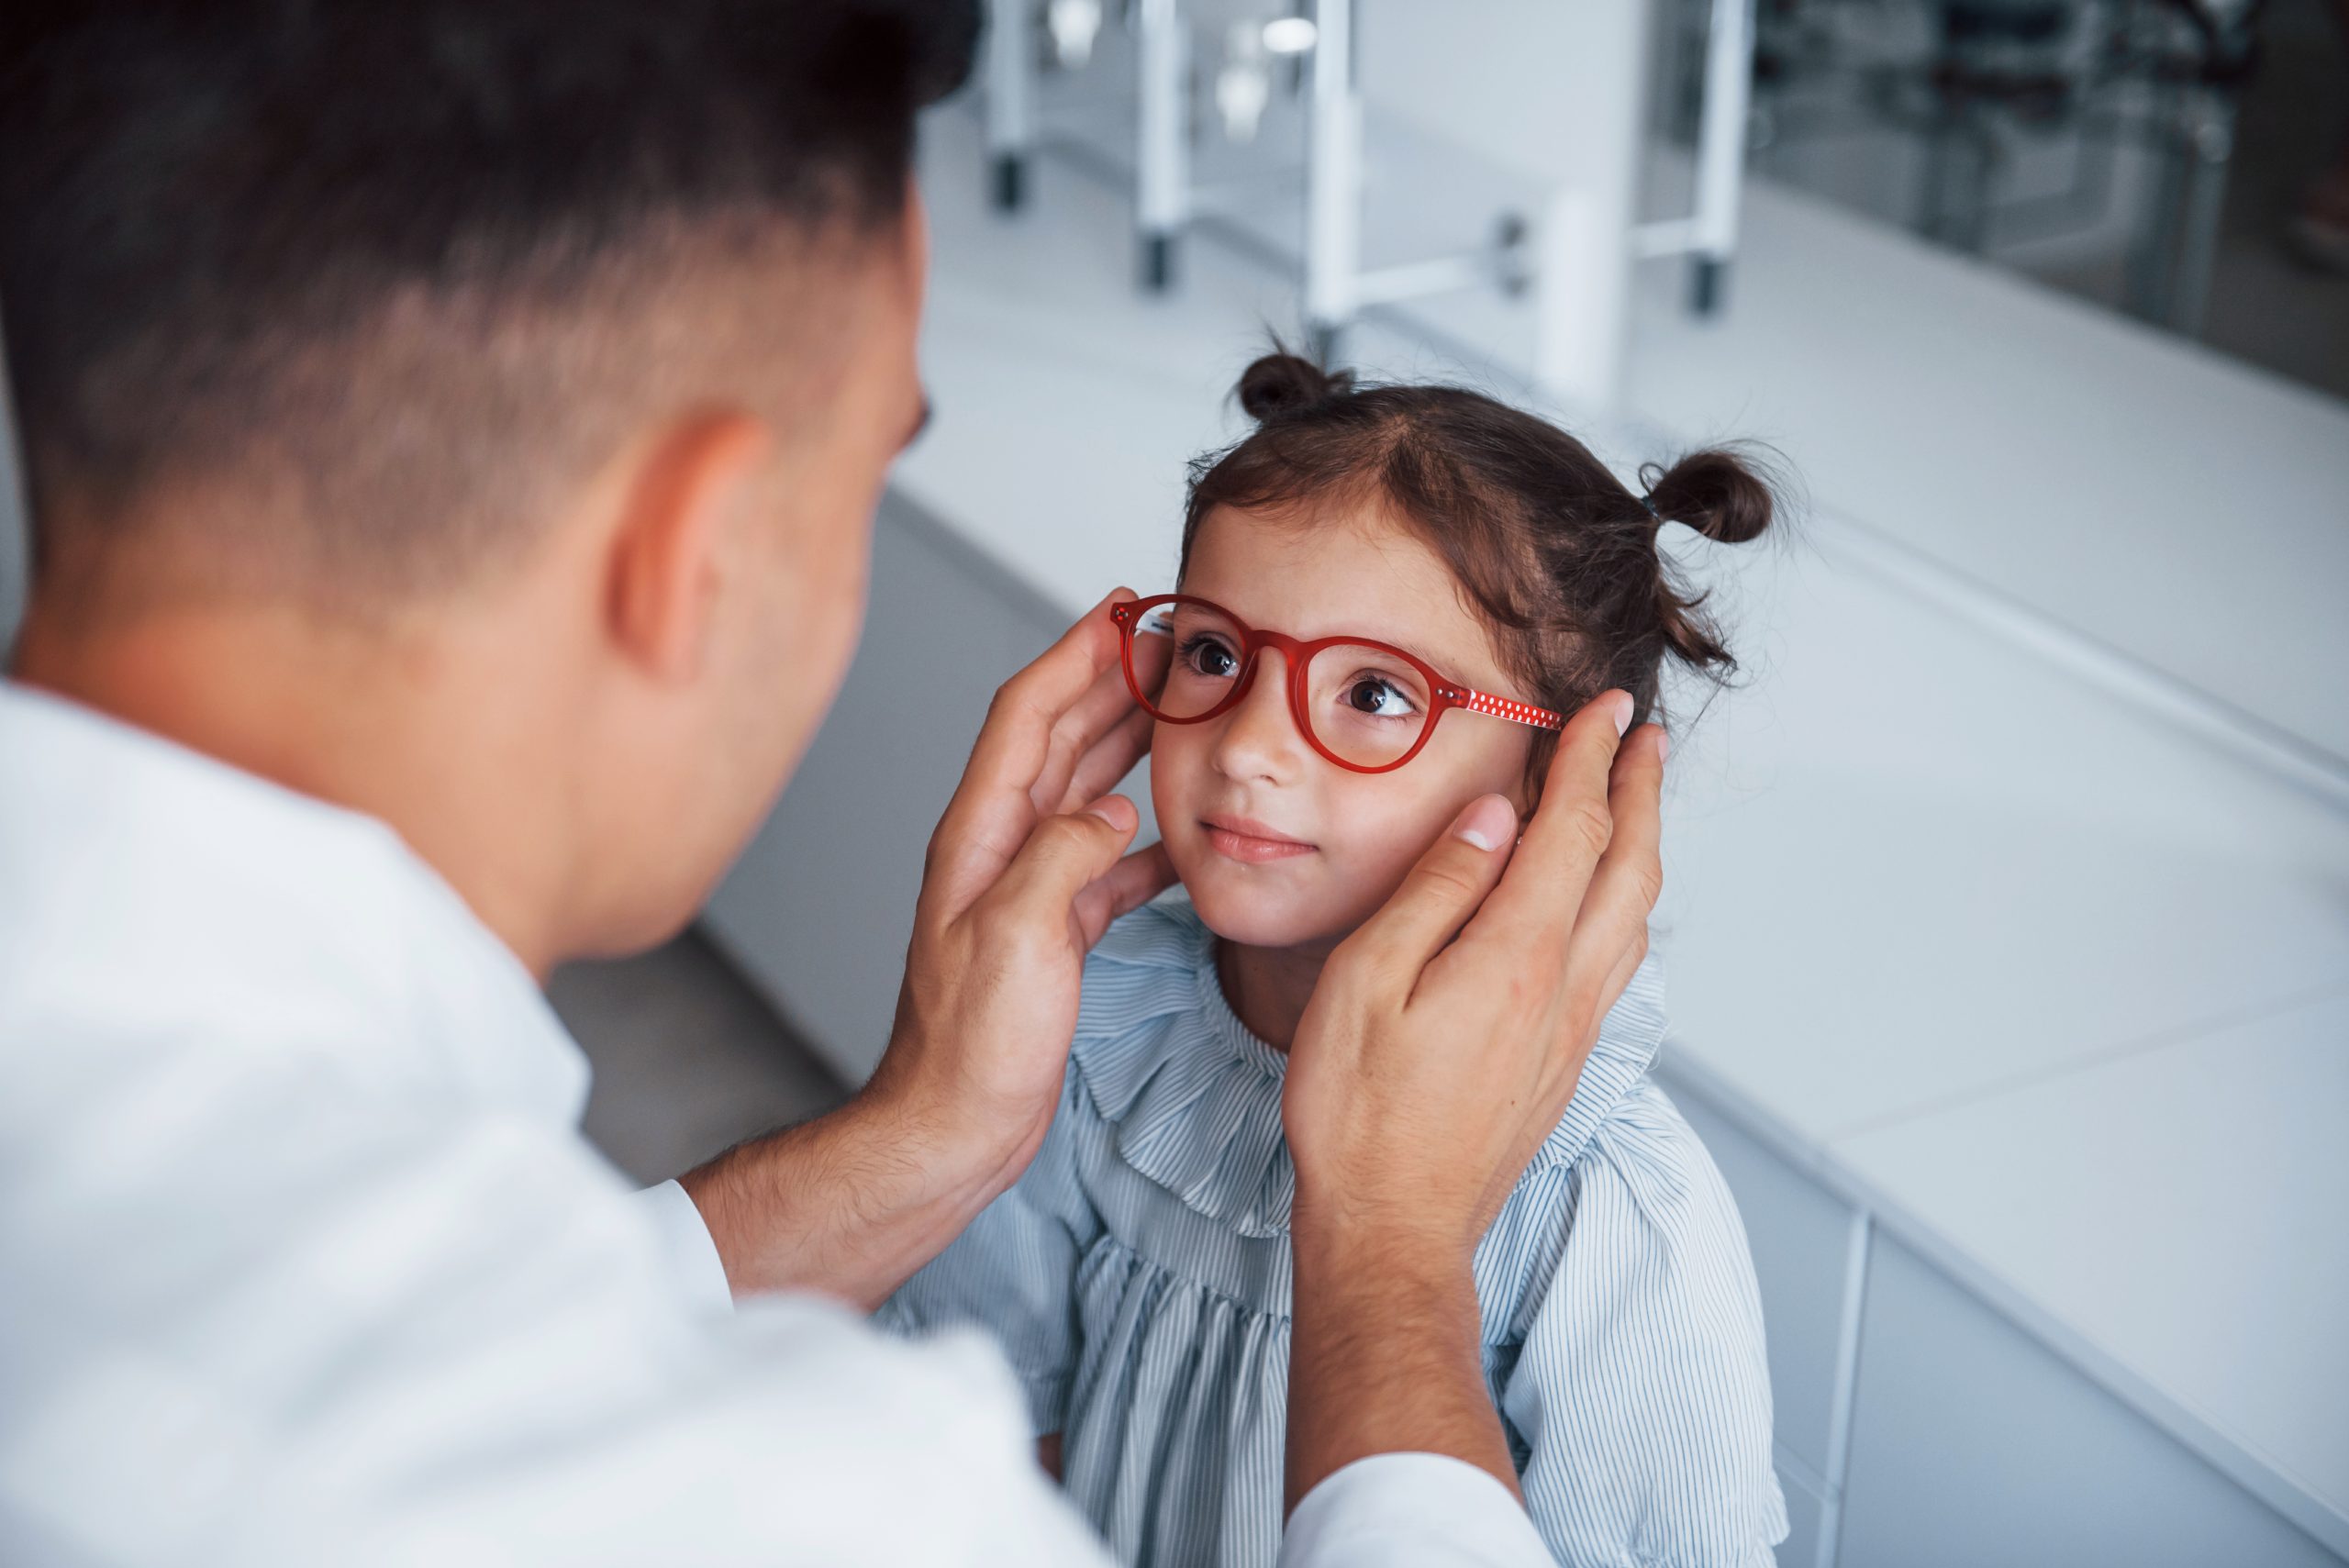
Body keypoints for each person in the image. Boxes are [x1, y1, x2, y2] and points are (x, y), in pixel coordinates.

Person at [0, 5, 1671, 1564]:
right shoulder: (817, 1504)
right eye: (871, 465)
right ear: (699, 552)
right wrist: (1387, 1252)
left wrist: (924, 1135)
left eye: (1370, 694)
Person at [876, 352, 1788, 1566]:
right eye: (1212, 654)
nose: (1250, 745)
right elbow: (994, 1416)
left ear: (1564, 779)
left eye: (1371, 690)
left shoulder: (1612, 1202)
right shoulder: (1087, 1022)